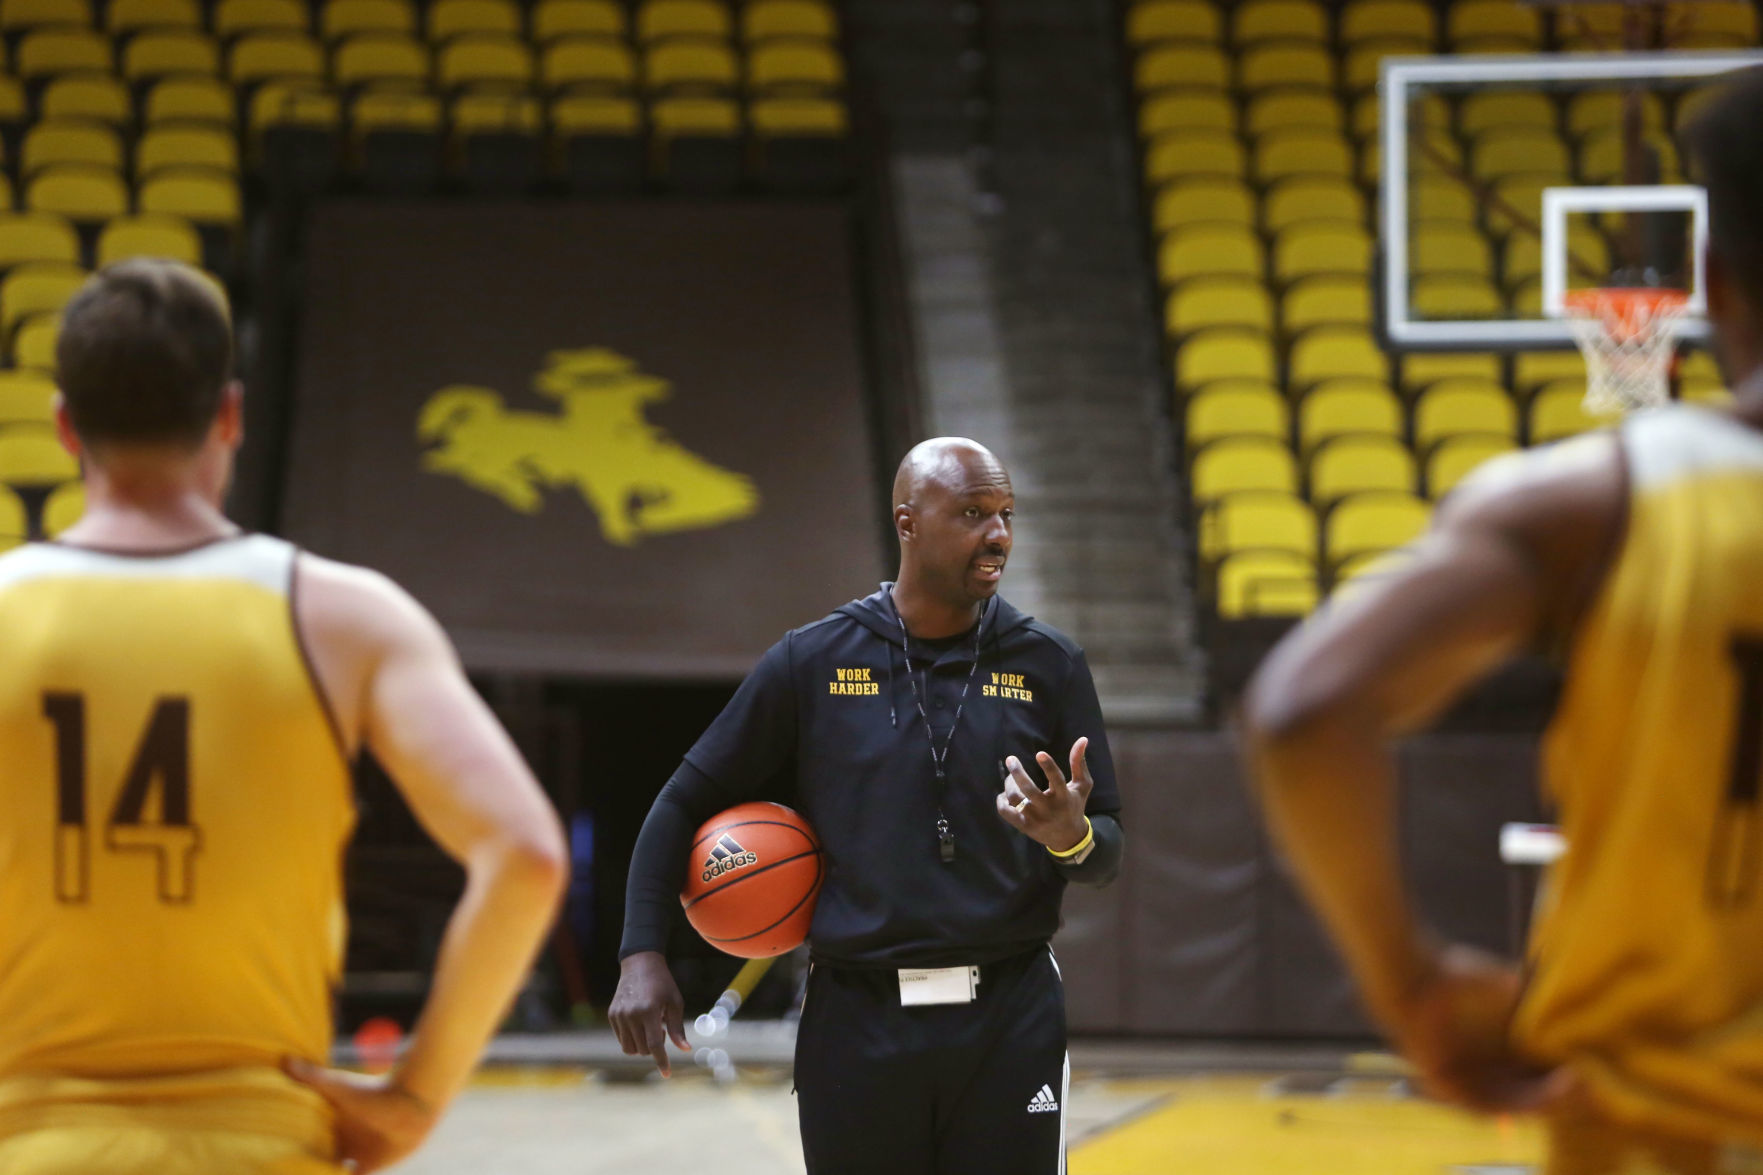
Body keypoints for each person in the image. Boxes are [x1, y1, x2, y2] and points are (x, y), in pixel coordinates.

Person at [1242, 66, 1763, 1175]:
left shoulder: (1596, 506)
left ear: (1709, 280)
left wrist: (1412, 980)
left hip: (1664, 1132)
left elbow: (1303, 709)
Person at [0, 259, 568, 1175]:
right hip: (262, 1140)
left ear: (65, 426)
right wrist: (415, 1098)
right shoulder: (342, 615)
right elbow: (527, 854)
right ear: (228, 415)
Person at [611, 437, 1124, 1174]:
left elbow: (1107, 851)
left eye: (1006, 514)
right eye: (974, 512)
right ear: (908, 522)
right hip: (857, 1017)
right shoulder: (812, 660)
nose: (999, 535)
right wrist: (641, 953)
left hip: (1008, 1014)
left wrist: (1071, 837)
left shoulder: (1049, 663)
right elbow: (683, 799)